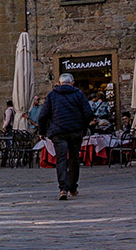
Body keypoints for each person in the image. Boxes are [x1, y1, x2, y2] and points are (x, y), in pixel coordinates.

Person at [41, 71, 96, 200]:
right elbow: (88, 113)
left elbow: (43, 115)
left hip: (58, 132)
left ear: (59, 83)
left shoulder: (52, 95)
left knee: (61, 159)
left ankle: (63, 189)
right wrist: (84, 126)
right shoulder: (79, 94)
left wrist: (42, 132)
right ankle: (73, 186)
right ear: (72, 83)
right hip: (75, 131)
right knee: (74, 158)